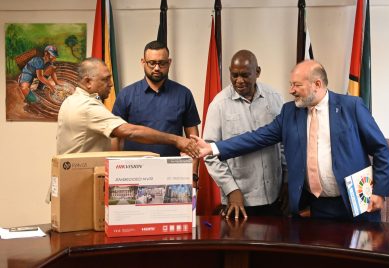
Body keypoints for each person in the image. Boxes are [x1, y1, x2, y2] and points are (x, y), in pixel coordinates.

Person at [194, 60, 389, 222]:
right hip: (314, 208)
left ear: (317, 84)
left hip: (355, 204)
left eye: (297, 85)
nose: (291, 90)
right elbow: (257, 137)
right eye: (291, 84)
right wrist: (213, 147)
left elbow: (381, 149)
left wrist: (380, 192)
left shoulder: (351, 107)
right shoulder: (290, 112)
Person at [56, 57, 199, 158]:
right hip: (77, 185)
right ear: (88, 82)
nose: (111, 84)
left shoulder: (72, 100)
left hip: (71, 181)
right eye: (105, 79)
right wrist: (177, 140)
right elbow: (130, 131)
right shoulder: (87, 106)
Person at [203, 50, 287, 219]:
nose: (239, 81)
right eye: (234, 75)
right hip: (239, 200)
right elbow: (209, 153)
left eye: (245, 75)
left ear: (257, 72)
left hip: (275, 195)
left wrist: (286, 180)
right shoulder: (219, 104)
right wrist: (231, 189)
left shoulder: (275, 98)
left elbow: (285, 143)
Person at [112, 41, 201, 185]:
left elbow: (194, 140)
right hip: (133, 175)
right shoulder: (126, 95)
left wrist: (194, 174)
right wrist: (115, 173)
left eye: (162, 63)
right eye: (152, 63)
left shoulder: (183, 94)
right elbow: (115, 137)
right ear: (143, 62)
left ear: (169, 62)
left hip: (173, 176)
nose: (157, 68)